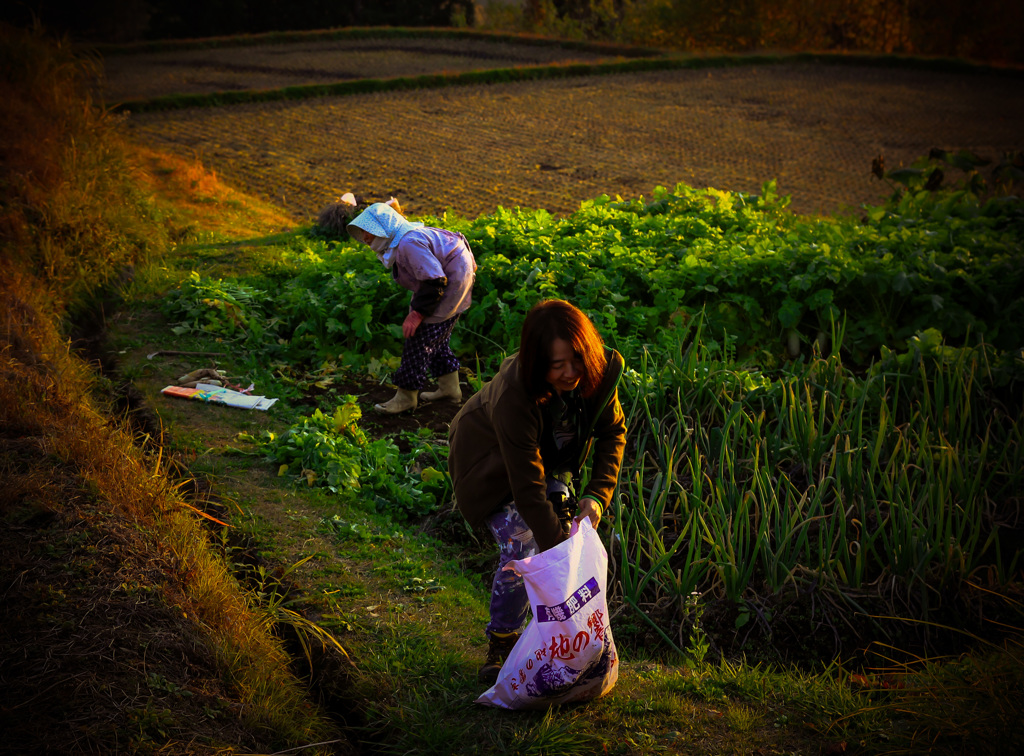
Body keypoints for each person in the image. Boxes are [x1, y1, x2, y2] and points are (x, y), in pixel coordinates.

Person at [448, 299, 627, 684]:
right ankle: (503, 643)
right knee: (524, 544)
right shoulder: (516, 394)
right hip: (489, 468)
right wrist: (558, 556)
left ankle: (561, 647)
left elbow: (613, 431)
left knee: (565, 534)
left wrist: (596, 496)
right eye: (555, 364)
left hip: (547, 462)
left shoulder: (597, 373)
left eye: (575, 360)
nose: (569, 373)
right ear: (536, 362)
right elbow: (526, 487)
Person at [347, 202, 477, 413]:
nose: (365, 238)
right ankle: (450, 389)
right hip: (453, 278)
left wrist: (417, 314)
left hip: (451, 282)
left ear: (384, 228)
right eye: (362, 232)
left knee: (418, 338)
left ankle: (406, 397)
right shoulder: (405, 240)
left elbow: (435, 281)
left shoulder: (409, 244)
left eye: (368, 231)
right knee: (436, 338)